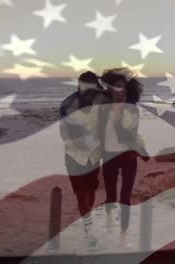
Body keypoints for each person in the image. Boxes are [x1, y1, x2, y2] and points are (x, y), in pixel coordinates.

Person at [99, 68, 148, 247]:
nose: (121, 91)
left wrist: (118, 118)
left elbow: (128, 135)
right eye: (117, 87)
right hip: (109, 155)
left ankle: (123, 233)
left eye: (124, 88)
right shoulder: (102, 109)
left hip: (127, 156)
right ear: (111, 89)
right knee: (110, 195)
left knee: (125, 196)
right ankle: (110, 222)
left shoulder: (132, 110)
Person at [59, 71, 106, 250]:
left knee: (91, 190)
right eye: (84, 85)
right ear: (79, 84)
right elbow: (65, 134)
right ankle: (89, 231)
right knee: (81, 194)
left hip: (94, 157)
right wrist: (87, 141)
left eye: (91, 85)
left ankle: (87, 215)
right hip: (74, 156)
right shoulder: (67, 105)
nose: (88, 89)